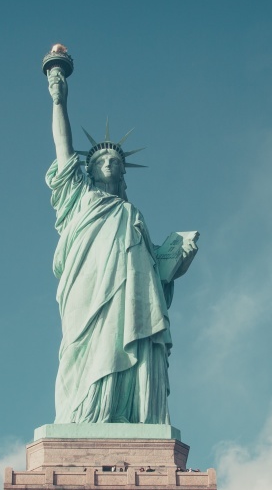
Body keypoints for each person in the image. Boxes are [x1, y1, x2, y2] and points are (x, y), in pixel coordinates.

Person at [45, 64, 197, 424]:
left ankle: (128, 413)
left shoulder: (133, 214)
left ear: (123, 172)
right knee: (82, 349)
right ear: (90, 169)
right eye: (101, 160)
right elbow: (64, 150)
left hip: (130, 296)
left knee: (132, 342)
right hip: (87, 289)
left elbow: (155, 273)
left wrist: (176, 256)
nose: (110, 163)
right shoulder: (78, 197)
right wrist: (58, 100)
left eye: (116, 160)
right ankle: (84, 417)